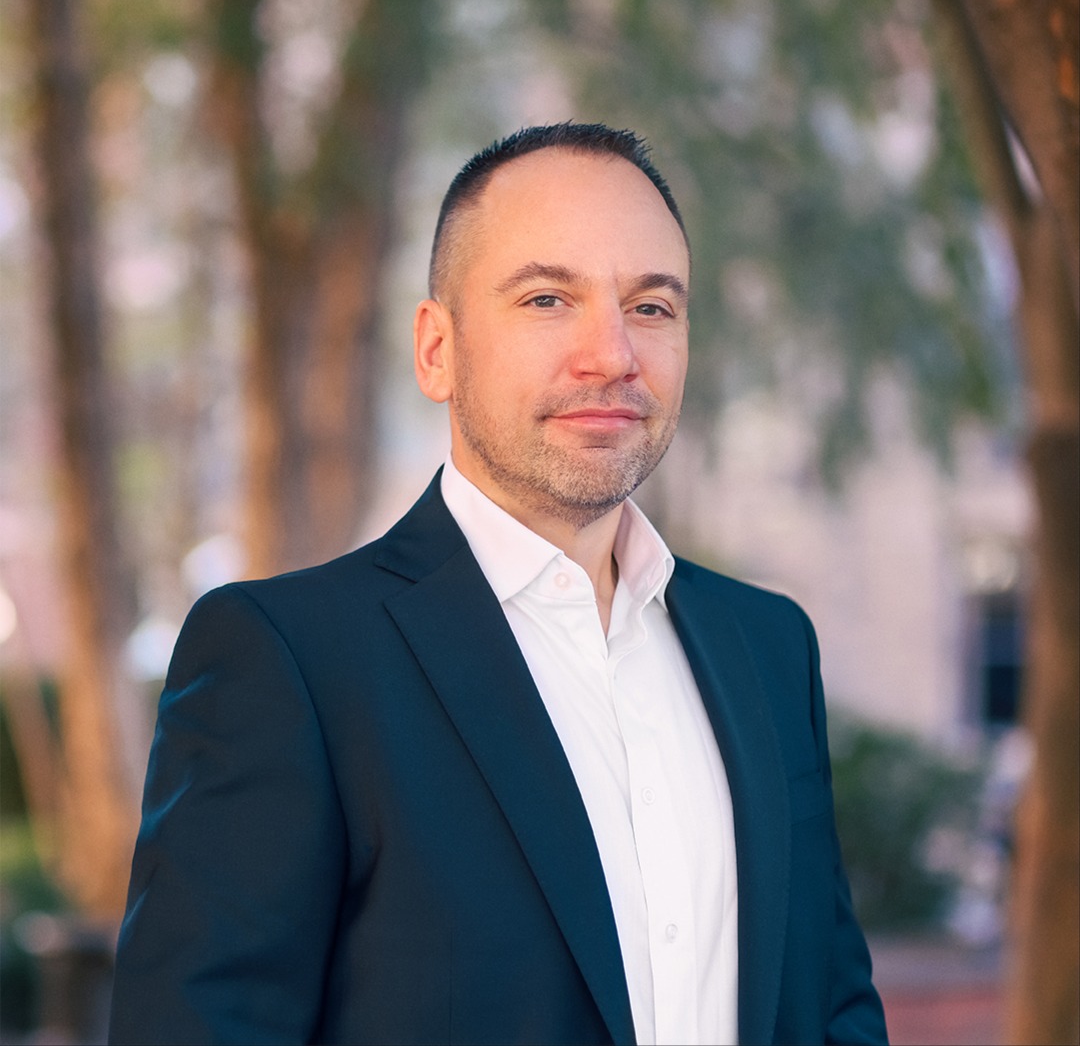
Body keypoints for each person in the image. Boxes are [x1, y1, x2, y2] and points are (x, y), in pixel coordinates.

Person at [109, 123, 888, 1046]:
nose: (611, 355)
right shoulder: (289, 662)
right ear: (438, 348)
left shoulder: (768, 649)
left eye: (652, 307)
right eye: (549, 298)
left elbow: (831, 1010)